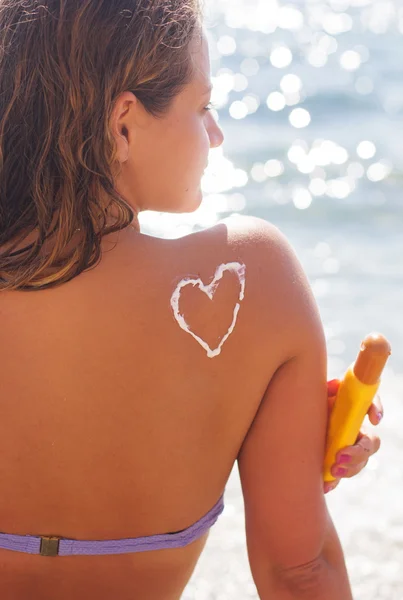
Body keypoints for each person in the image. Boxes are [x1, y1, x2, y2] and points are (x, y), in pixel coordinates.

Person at [0, 1, 383, 598]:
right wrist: (286, 439)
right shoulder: (257, 280)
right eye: (201, 107)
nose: (217, 133)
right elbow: (300, 573)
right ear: (122, 122)